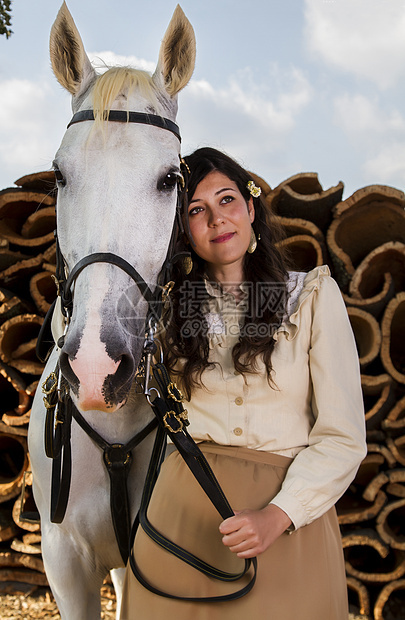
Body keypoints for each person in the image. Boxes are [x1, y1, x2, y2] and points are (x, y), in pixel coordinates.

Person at [120, 147, 367, 619]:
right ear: (183, 231)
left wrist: (278, 516)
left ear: (251, 209)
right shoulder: (168, 309)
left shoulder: (310, 296)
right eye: (196, 210)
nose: (216, 219)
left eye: (227, 199)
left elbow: (343, 438)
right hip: (180, 527)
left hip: (287, 531)